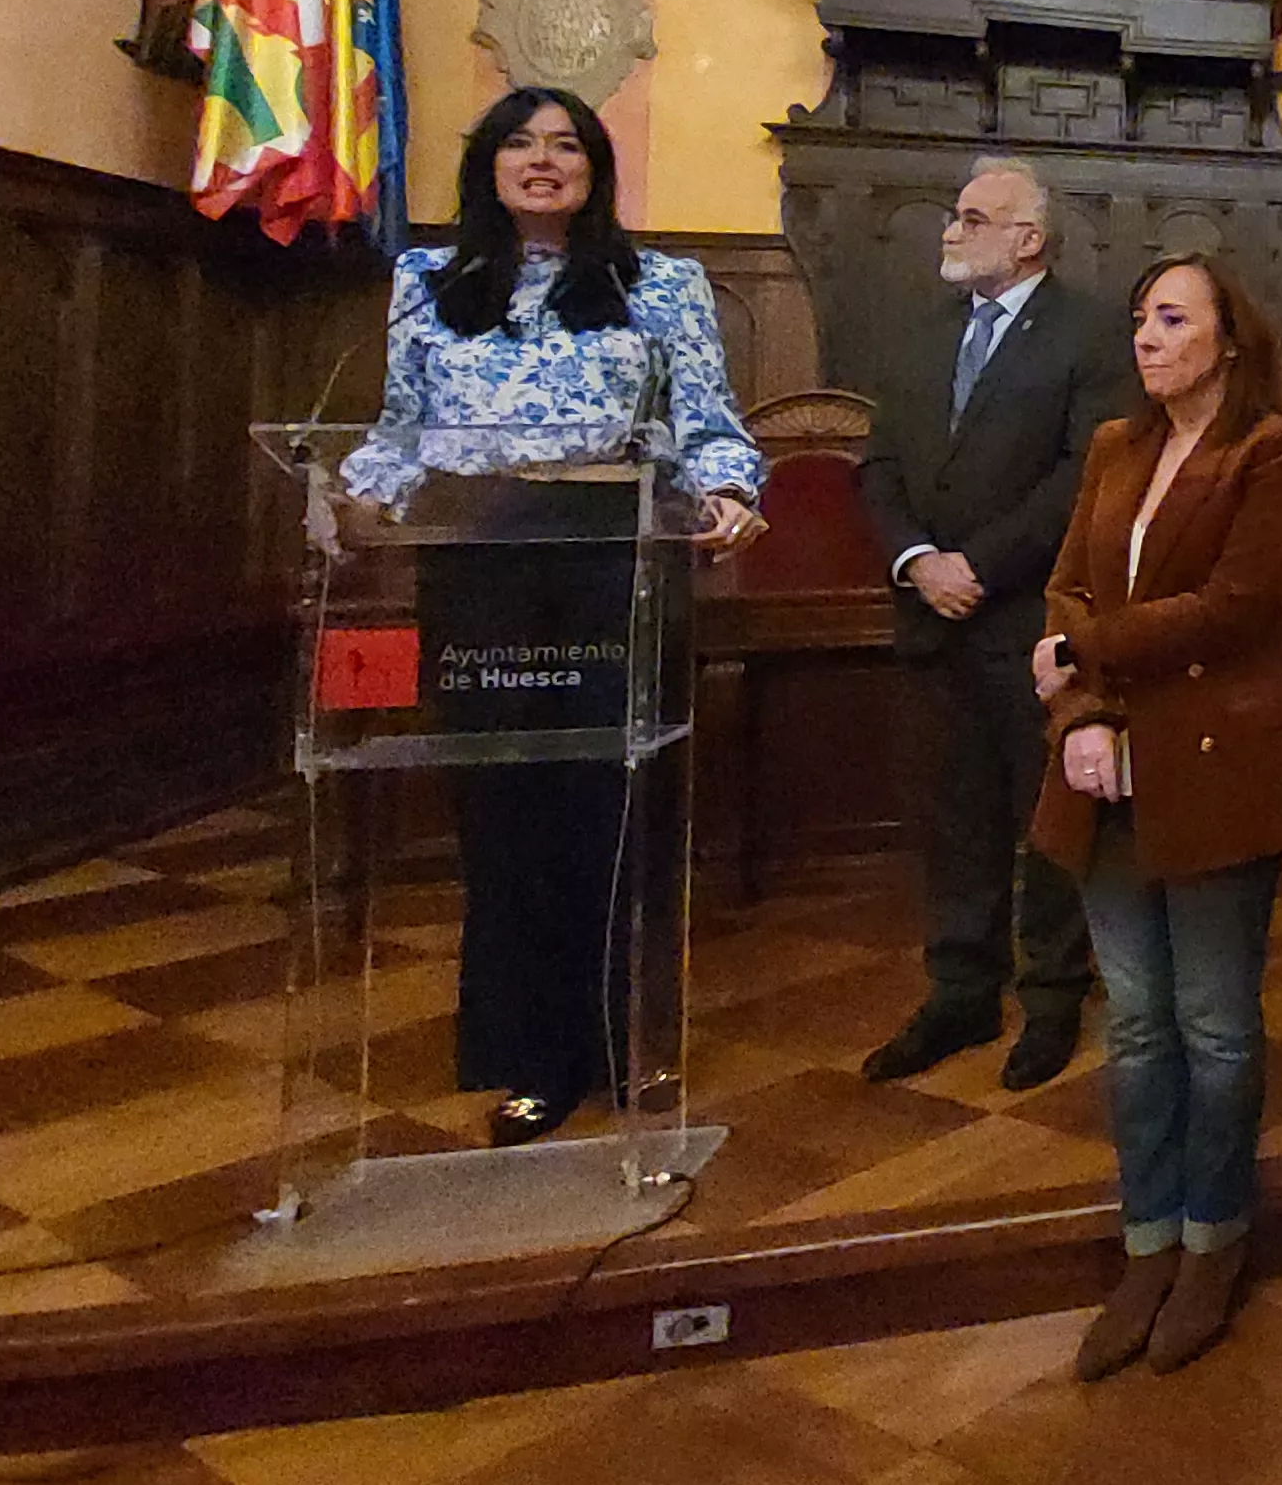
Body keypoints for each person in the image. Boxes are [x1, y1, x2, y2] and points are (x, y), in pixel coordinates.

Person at [342, 87, 766, 1149]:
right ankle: (529, 1054)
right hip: (477, 557)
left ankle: (625, 1039)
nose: (543, 160)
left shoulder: (660, 282)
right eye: (521, 143)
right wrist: (351, 495)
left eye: (566, 144)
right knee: (504, 810)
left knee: (612, 797)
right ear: (486, 163)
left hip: (611, 553)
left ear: (596, 168)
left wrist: (727, 493)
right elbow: (401, 430)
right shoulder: (426, 282)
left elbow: (707, 423)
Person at [1027, 253, 1282, 1381]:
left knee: (1216, 1024)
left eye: (1172, 318)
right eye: (1141, 318)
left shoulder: (1271, 447)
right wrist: (1082, 717)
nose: (1147, 337)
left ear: (1227, 339)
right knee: (1138, 1025)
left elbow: (1235, 608)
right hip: (1103, 770)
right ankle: (1145, 1238)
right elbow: (1067, 590)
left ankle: (1214, 1241)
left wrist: (1082, 655)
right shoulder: (1114, 446)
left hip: (1217, 764)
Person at [856, 159, 1130, 1092]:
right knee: (955, 820)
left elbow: (1083, 478)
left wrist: (979, 565)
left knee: (1045, 819)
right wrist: (916, 562)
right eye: (953, 216)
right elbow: (881, 465)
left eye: (971, 218)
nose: (949, 231)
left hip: (1030, 619)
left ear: (1027, 239)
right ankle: (960, 990)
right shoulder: (923, 335)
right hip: (932, 621)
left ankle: (1052, 997)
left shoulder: (1092, 335)